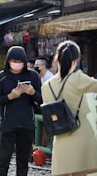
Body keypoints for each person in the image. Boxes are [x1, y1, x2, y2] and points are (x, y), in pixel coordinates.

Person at [41, 40, 97, 176]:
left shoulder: (46, 86)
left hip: (60, 134)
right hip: (81, 130)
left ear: (57, 59)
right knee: (80, 172)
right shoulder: (77, 78)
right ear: (76, 60)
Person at [0, 46, 42, 176]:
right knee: (3, 159)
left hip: (27, 124)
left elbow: (42, 99)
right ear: (8, 61)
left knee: (23, 161)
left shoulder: (33, 76)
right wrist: (10, 96)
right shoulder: (1, 77)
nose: (17, 64)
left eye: (20, 62)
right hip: (8, 124)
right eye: (14, 61)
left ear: (24, 62)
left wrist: (32, 93)